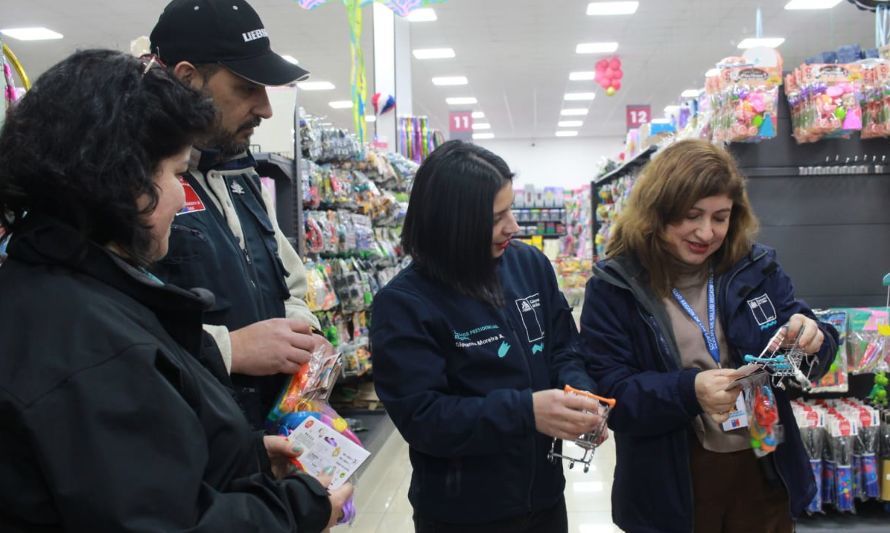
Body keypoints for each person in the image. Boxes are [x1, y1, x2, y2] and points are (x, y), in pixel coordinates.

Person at [0, 49, 351, 531]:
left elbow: (138, 467)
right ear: (123, 181)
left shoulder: (77, 287)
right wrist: (301, 510)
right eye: (177, 174)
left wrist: (242, 456)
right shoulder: (88, 345)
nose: (182, 196)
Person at [580, 139, 839, 533]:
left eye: (721, 217)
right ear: (657, 213)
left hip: (763, 466)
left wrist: (814, 339)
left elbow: (800, 350)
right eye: (692, 216)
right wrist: (690, 392)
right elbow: (612, 393)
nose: (707, 232)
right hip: (672, 481)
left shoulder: (755, 267)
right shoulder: (616, 285)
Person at [370, 140, 605, 532]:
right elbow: (423, 418)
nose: (513, 226)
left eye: (510, 210)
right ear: (453, 221)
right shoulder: (404, 303)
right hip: (464, 515)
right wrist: (525, 412)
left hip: (544, 498)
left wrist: (579, 394)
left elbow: (564, 347)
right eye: (497, 217)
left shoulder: (530, 265)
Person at [148, 0, 328, 429]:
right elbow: (110, 329)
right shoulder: (134, 184)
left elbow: (290, 283)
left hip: (259, 437)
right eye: (248, 87)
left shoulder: (240, 172)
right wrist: (231, 349)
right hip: (188, 441)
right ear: (187, 78)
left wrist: (304, 335)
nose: (266, 108)